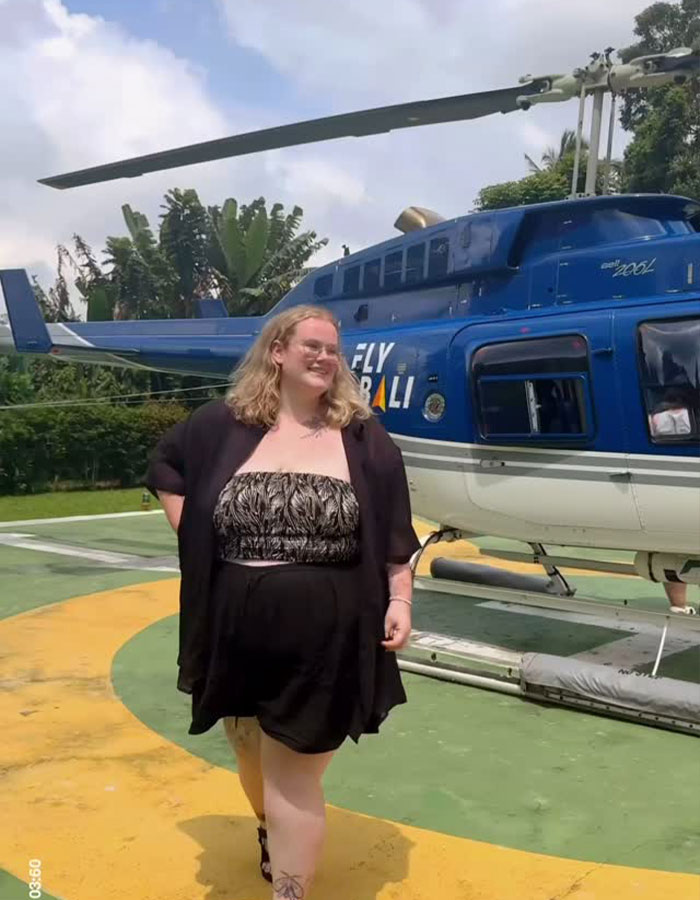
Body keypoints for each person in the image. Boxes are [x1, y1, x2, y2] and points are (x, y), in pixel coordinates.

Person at [144, 305, 420, 899]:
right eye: (311, 346)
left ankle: (289, 892)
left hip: (327, 634)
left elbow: (397, 531)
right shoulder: (222, 425)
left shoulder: (365, 439)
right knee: (248, 749)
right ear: (277, 351)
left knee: (294, 773)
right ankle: (268, 827)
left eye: (332, 349)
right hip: (234, 624)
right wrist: (193, 531)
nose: (324, 357)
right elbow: (166, 467)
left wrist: (401, 598)